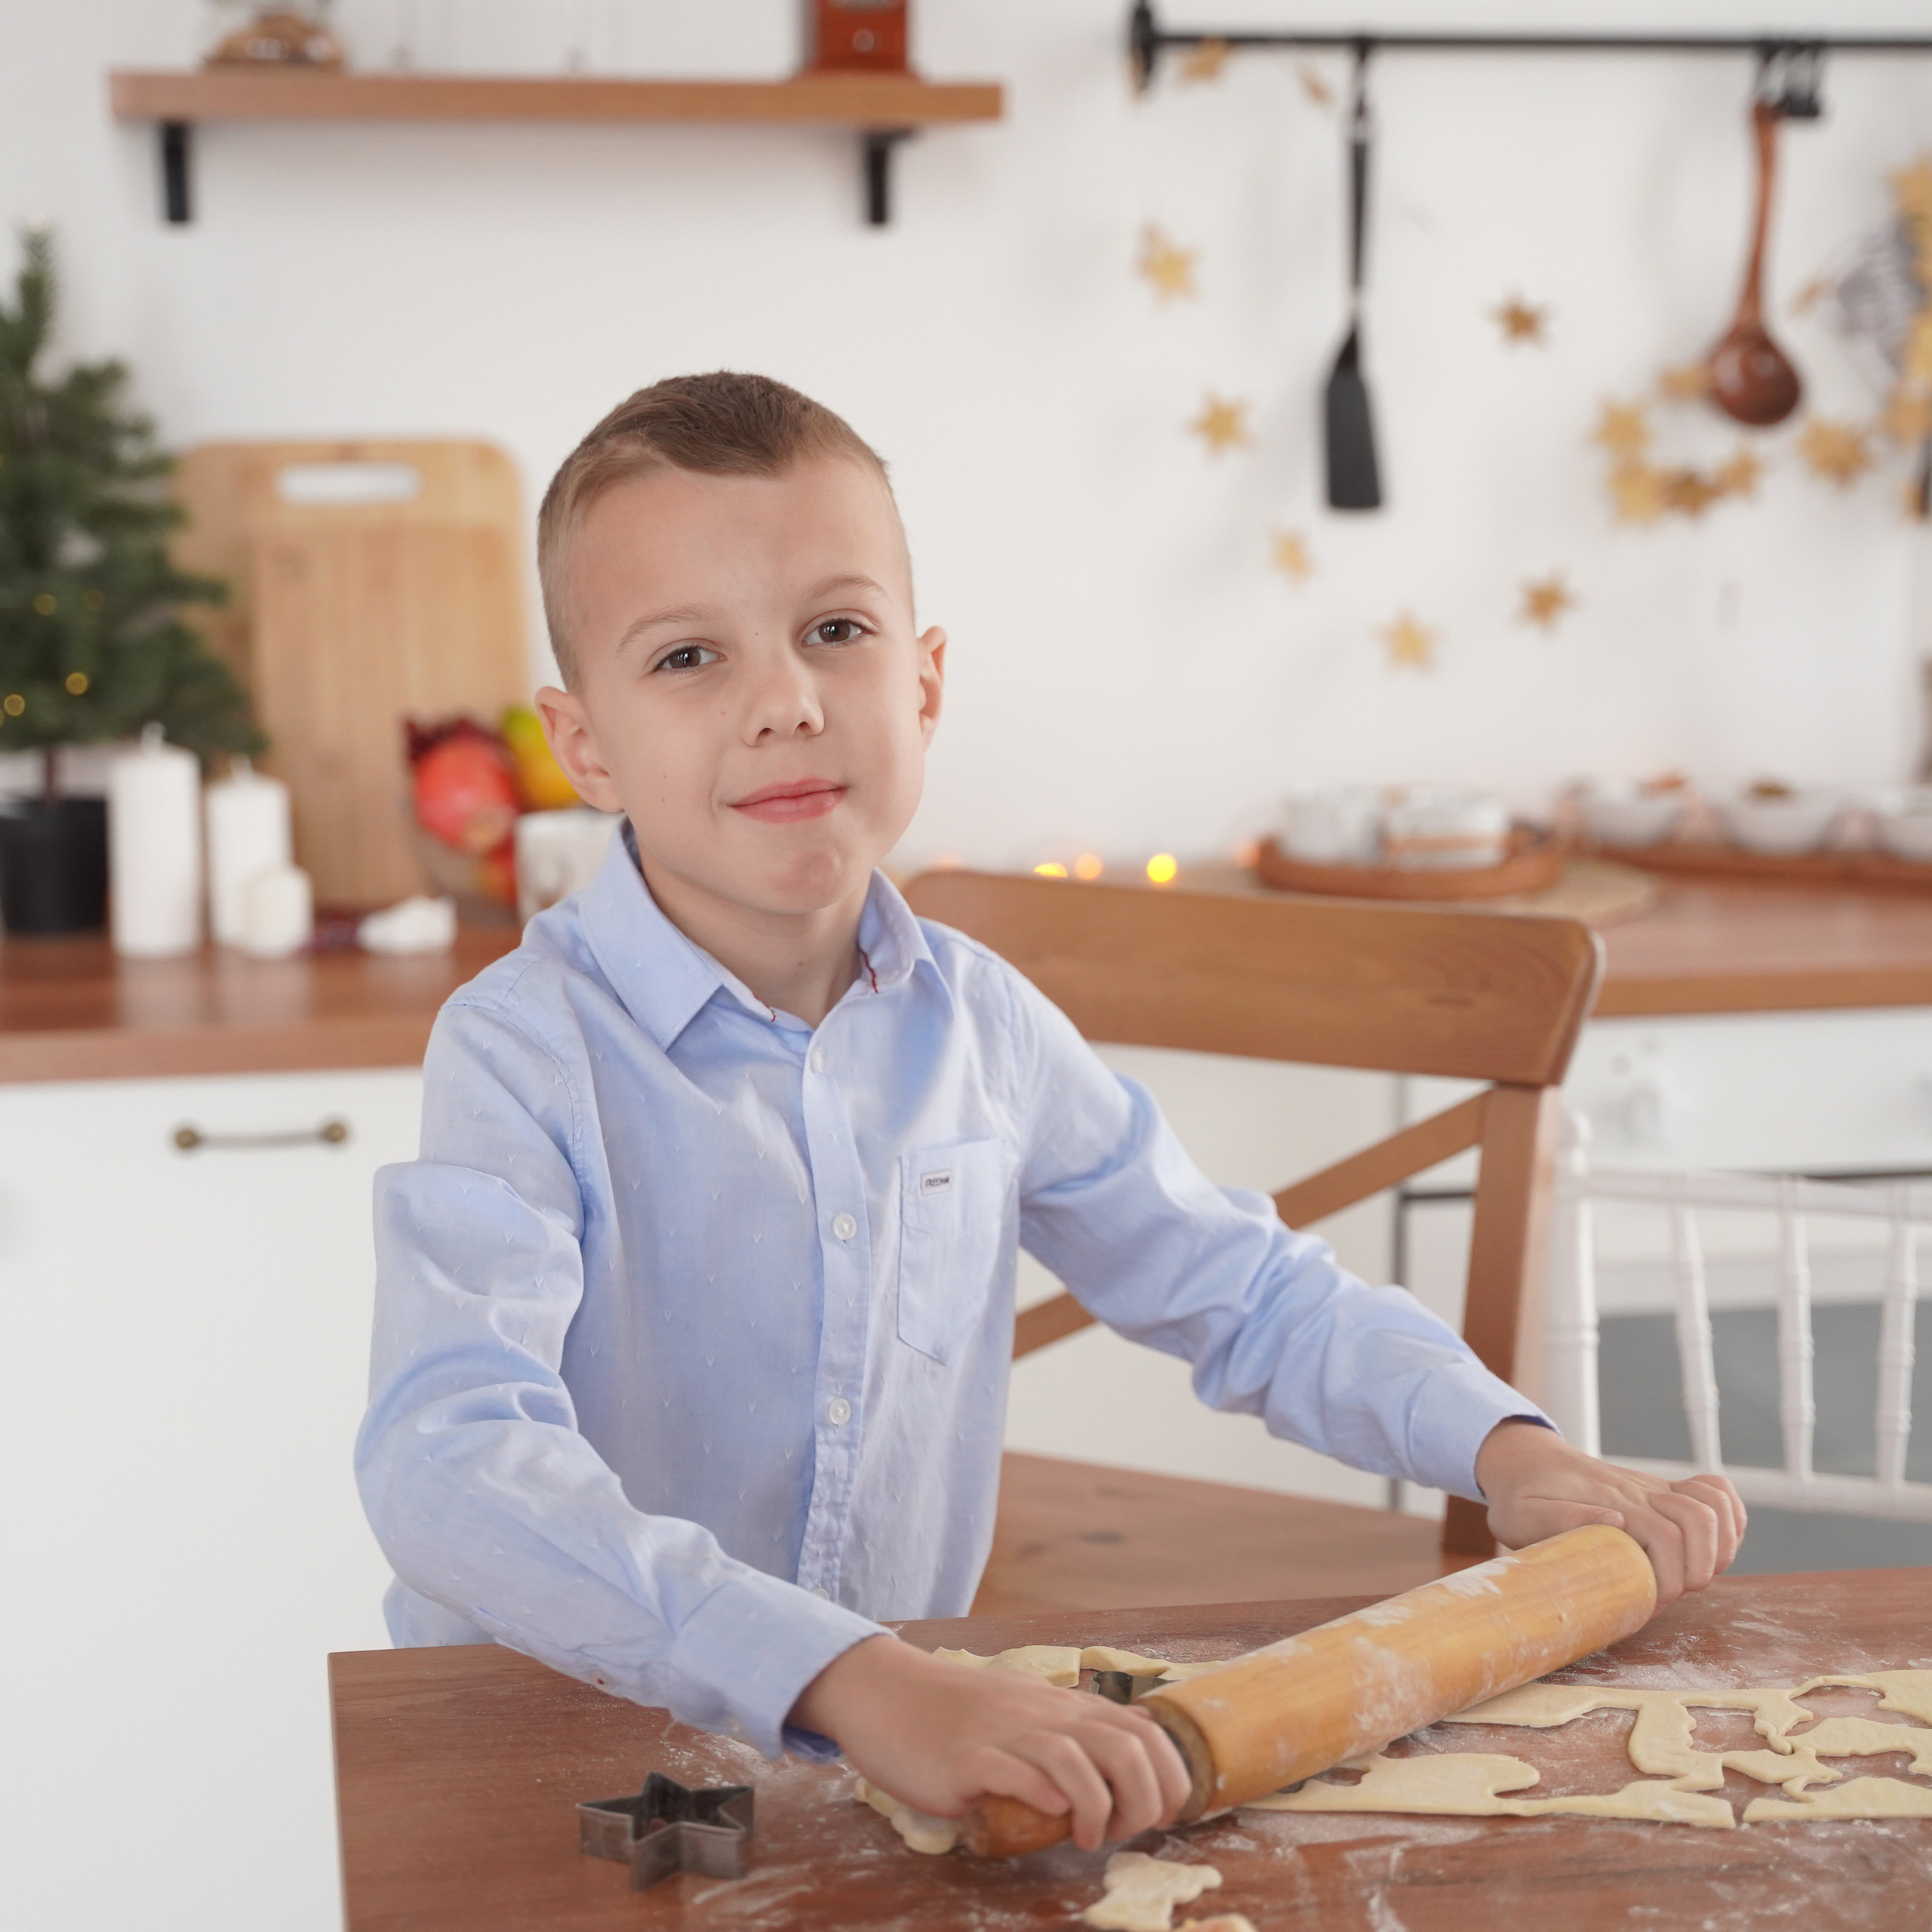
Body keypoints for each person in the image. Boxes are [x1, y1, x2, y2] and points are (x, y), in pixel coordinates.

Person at [355, 372, 1746, 1854]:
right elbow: (447, 1462)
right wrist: (848, 1672)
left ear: (926, 679)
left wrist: (1507, 1447)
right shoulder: (520, 1048)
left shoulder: (984, 1026)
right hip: (548, 1762)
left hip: (884, 1774)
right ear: (585, 747)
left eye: (836, 630)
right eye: (689, 655)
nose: (785, 702)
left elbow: (1239, 1287)